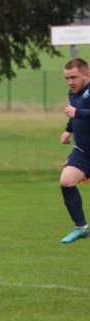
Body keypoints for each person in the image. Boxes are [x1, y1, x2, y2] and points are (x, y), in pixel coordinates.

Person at [59, 57, 90, 243]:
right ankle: (81, 227)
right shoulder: (73, 93)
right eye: (67, 78)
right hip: (83, 152)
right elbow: (74, 113)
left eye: (74, 77)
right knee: (66, 180)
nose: (70, 82)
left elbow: (77, 112)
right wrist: (68, 130)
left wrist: (77, 113)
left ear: (86, 74)